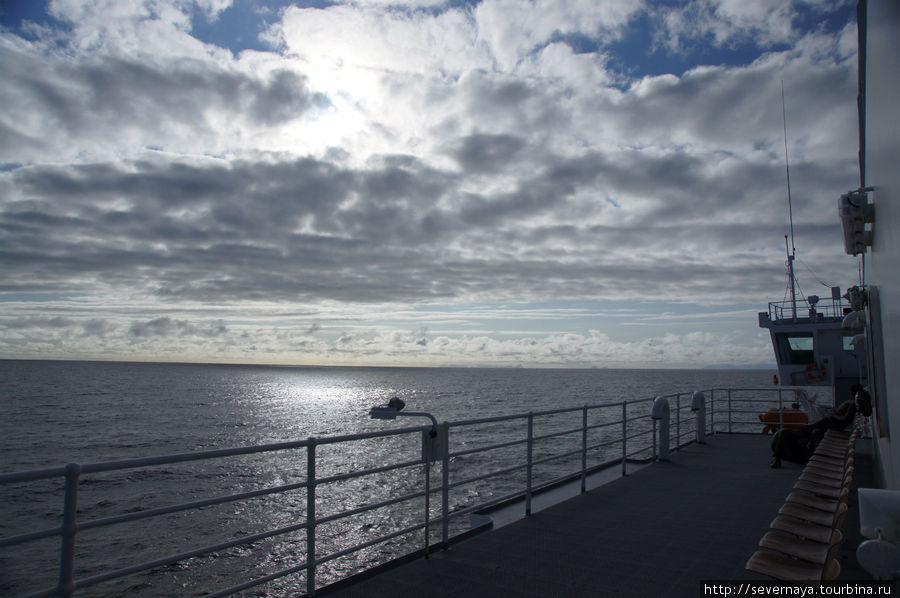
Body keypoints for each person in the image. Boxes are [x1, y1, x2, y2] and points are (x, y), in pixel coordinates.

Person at [769, 384, 872, 469]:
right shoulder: (852, 405)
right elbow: (844, 420)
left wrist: (832, 415)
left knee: (786, 433)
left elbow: (844, 419)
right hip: (826, 425)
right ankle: (777, 456)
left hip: (826, 424)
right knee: (796, 432)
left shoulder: (851, 405)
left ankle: (776, 458)